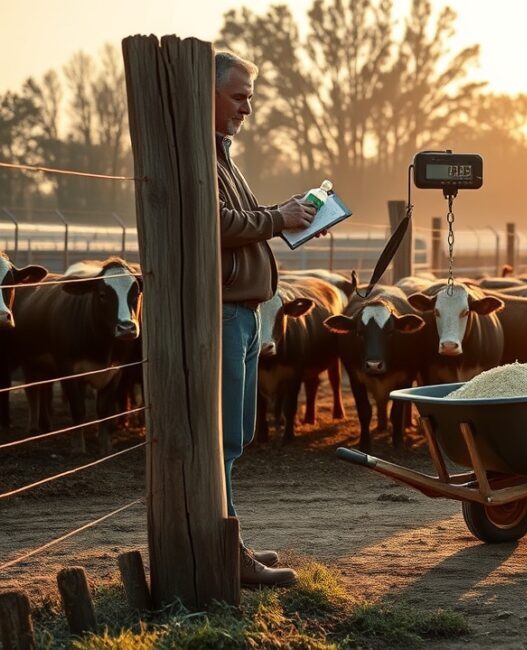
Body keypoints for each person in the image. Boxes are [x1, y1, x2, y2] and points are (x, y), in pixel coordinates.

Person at [214, 50, 317, 587]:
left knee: (238, 434)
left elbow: (246, 221)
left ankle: (229, 540)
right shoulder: (197, 157)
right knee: (225, 437)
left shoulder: (224, 156)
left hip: (248, 312)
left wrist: (291, 216)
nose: (247, 108)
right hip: (227, 312)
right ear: (205, 95)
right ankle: (226, 552)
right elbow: (219, 222)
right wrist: (278, 218)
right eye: (238, 96)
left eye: (249, 97)